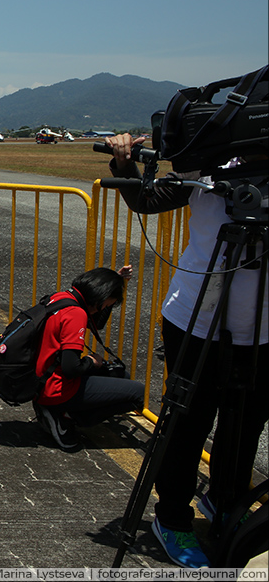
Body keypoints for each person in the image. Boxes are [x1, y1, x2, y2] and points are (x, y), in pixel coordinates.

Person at [105, 132, 268, 568]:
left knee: (246, 423)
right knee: (187, 424)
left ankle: (224, 500)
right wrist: (124, 164)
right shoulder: (214, 161)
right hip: (197, 317)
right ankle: (173, 518)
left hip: (265, 328)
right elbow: (148, 200)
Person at [32, 267, 145, 451]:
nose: (110, 306)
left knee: (120, 375)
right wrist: (92, 362)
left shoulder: (63, 298)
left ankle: (58, 410)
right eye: (109, 304)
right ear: (101, 297)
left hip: (41, 380)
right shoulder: (76, 314)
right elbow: (70, 368)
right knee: (139, 393)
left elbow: (96, 323)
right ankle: (65, 416)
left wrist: (116, 280)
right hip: (56, 388)